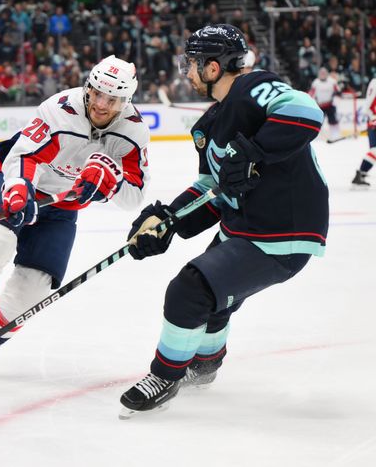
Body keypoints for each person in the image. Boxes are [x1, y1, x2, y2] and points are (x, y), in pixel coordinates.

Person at [118, 24, 328, 418]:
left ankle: (165, 376)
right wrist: (167, 220)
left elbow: (305, 111)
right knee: (213, 300)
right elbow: (213, 187)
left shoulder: (254, 87)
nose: (187, 72)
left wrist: (253, 152)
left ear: (213, 68)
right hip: (245, 229)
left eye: (192, 64)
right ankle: (205, 363)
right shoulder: (209, 124)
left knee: (188, 290)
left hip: (282, 233)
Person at [0, 55, 150, 392]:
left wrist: (111, 181)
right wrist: (20, 190)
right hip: (10, 178)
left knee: (33, 289)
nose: (102, 104)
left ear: (126, 101)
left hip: (61, 205)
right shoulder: (60, 108)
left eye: (112, 99)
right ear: (88, 88)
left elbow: (135, 195)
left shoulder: (134, 131)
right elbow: (23, 156)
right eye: (97, 94)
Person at [351, 76, 376, 187]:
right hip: (374, 123)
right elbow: (367, 106)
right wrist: (372, 118)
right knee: (375, 151)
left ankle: (361, 174)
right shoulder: (375, 83)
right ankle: (360, 174)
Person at [309, 67, 342, 141]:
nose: (323, 75)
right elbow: (312, 93)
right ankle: (317, 136)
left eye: (324, 73)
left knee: (333, 120)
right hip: (320, 105)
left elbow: (338, 92)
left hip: (330, 105)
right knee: (318, 121)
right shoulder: (316, 82)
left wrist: (335, 101)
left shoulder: (332, 81)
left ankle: (336, 135)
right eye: (321, 73)